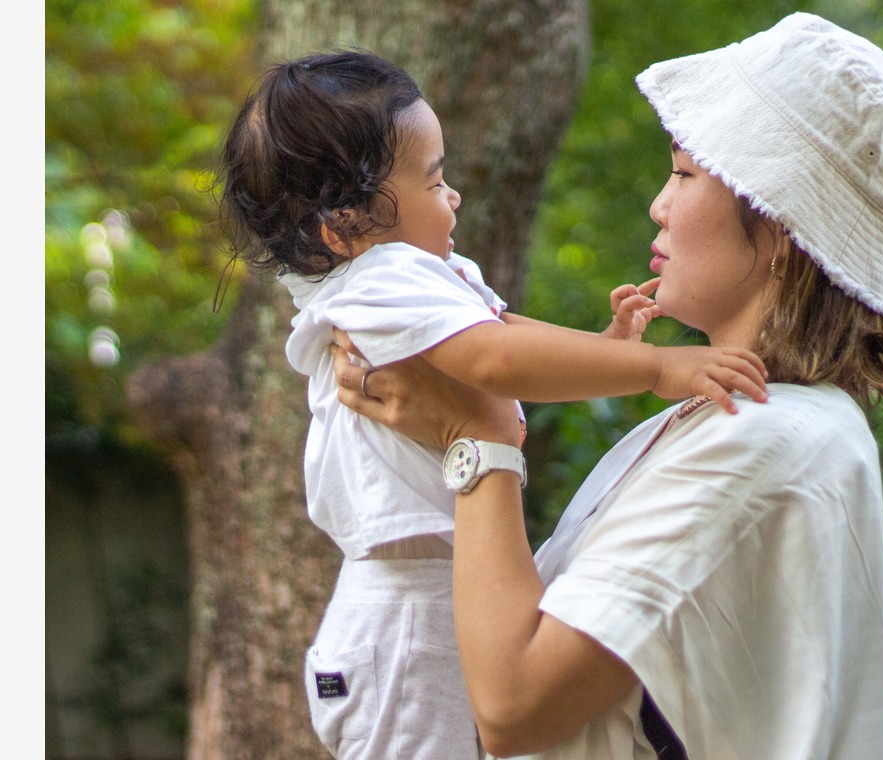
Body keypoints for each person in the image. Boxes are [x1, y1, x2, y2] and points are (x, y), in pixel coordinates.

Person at [332, 12, 883, 760]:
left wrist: (478, 441)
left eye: (685, 173)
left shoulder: (756, 438)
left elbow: (513, 706)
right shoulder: (737, 423)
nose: (658, 204)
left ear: (782, 230)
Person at [217, 50, 767, 760]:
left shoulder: (413, 274)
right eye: (434, 179)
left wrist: (603, 345)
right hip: (403, 622)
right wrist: (658, 367)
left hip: (426, 599)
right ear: (345, 227)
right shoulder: (374, 282)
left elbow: (503, 333)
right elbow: (494, 359)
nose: (454, 198)